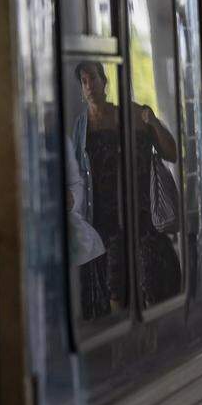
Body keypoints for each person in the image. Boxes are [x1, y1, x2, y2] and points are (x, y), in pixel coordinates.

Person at [71, 61, 182, 318]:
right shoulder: (81, 128)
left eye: (93, 80)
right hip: (103, 223)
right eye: (84, 82)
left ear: (105, 82)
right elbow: (76, 176)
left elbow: (171, 152)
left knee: (152, 284)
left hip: (142, 219)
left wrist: (152, 121)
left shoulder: (135, 115)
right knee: (113, 293)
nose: (89, 87)